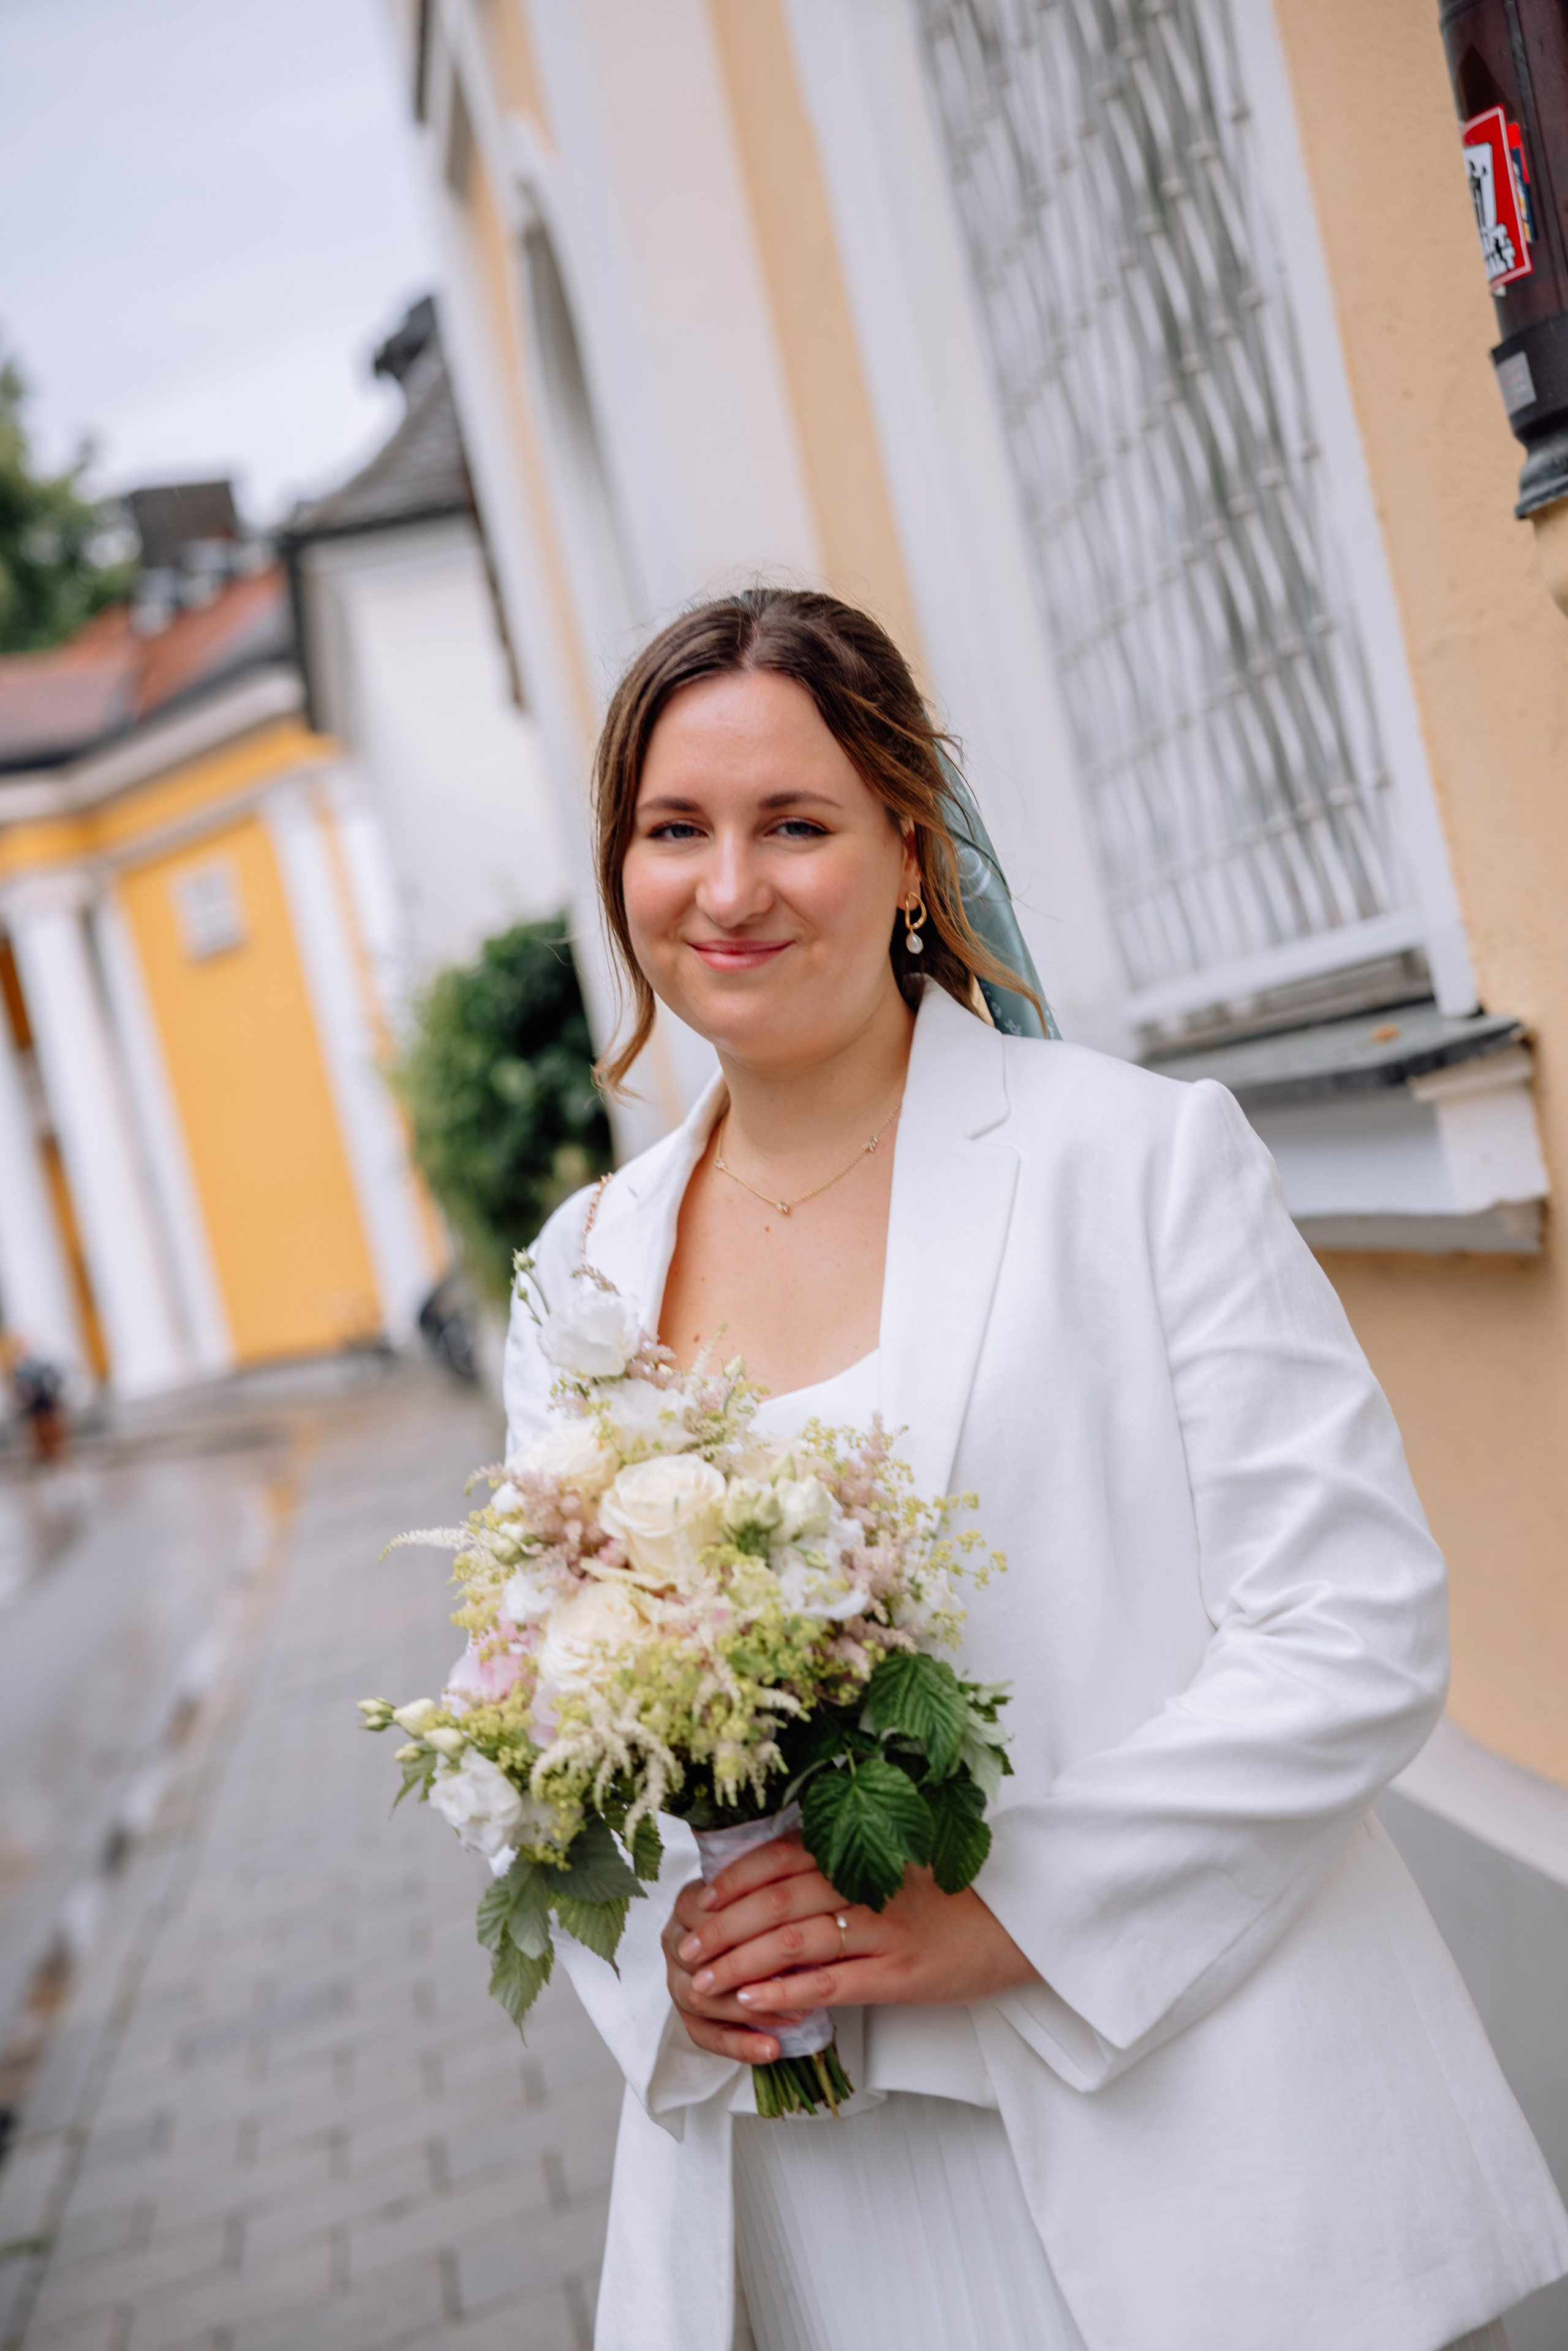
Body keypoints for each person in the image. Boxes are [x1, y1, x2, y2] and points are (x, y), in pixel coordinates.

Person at [503, 589, 1568, 2351]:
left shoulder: (1134, 1163)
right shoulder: (580, 1277)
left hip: (1182, 2119)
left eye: (797, 825)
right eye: (673, 830)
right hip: (816, 2194)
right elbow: (546, 1722)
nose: (729, 888)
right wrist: (674, 1967)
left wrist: (1001, 1910)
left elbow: (1354, 1631)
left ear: (910, 851)